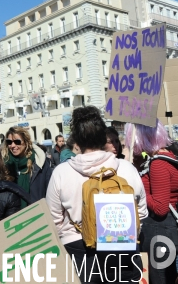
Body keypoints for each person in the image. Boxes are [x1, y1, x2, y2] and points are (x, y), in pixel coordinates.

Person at [46, 106, 147, 283]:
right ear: (102, 137)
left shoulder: (61, 173)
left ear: (76, 140)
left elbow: (53, 221)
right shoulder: (126, 169)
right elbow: (141, 212)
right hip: (122, 246)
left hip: (79, 252)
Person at [128, 120, 178, 284]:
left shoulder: (158, 164)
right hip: (165, 232)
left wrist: (138, 191)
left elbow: (161, 207)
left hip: (160, 232)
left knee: (160, 279)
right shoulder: (168, 158)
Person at [1, 126, 52, 206]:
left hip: (37, 213)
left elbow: (50, 192)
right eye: (9, 142)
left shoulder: (40, 162)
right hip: (13, 215)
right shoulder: (3, 164)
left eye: (17, 142)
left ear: (26, 142)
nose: (13, 145)